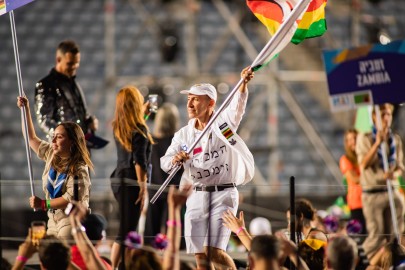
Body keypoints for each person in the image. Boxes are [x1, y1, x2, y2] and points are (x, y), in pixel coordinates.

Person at [161, 66, 255, 269]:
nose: (190, 103)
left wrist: (243, 85)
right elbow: (165, 162)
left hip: (224, 194)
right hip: (196, 194)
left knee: (215, 252)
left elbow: (236, 109)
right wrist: (175, 159)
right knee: (200, 257)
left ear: (210, 103)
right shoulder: (183, 134)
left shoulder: (223, 124)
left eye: (196, 99)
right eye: (189, 99)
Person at [17, 96, 92, 240]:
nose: (53, 140)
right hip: (52, 220)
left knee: (62, 256)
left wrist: (43, 204)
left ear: (72, 142)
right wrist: (25, 110)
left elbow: (70, 199)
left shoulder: (79, 167)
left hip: (71, 220)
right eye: (53, 136)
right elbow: (30, 138)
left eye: (59, 137)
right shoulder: (51, 154)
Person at [109, 86, 154, 268]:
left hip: (119, 179)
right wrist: (143, 188)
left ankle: (121, 265)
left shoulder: (119, 126)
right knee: (126, 231)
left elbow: (133, 138)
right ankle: (116, 266)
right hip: (131, 182)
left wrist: (143, 116)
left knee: (126, 229)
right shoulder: (139, 129)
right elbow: (139, 161)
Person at [356, 103, 405, 260]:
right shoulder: (365, 138)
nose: (386, 118)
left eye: (389, 115)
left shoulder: (395, 139)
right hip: (373, 193)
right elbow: (363, 164)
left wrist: (394, 173)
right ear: (374, 117)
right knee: (376, 235)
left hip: (391, 190)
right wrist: (377, 143)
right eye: (383, 114)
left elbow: (400, 166)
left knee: (395, 233)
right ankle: (363, 259)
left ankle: (393, 261)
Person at [34, 40, 98, 141]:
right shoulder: (46, 85)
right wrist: (65, 137)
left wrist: (89, 122)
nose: (74, 67)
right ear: (58, 59)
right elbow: (45, 121)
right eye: (70, 63)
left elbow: (79, 113)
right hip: (62, 149)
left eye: (77, 63)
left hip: (80, 146)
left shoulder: (74, 84)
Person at [146, 103, 182, 242]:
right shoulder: (177, 141)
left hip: (154, 190)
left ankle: (149, 260)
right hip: (174, 191)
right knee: (174, 230)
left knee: (150, 234)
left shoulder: (150, 141)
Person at [339, 129, 366, 234]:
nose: (353, 141)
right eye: (349, 139)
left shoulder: (364, 157)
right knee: (359, 234)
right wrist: (372, 177)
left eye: (355, 138)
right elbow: (354, 179)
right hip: (356, 204)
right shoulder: (345, 159)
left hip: (369, 201)